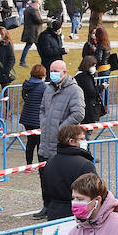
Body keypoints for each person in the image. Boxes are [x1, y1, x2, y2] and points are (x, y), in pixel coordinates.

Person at [42, 124, 98, 235]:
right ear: (71, 141)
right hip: (77, 212)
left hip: (54, 210)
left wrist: (49, 206)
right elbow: (93, 191)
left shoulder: (50, 162)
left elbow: (45, 190)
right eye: (82, 138)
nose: (85, 141)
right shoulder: (85, 164)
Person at [38, 60, 86, 218]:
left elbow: (78, 113)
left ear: (64, 72)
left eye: (56, 71)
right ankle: (46, 204)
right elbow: (42, 109)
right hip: (45, 140)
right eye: (51, 70)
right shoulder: (48, 88)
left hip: (61, 142)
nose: (53, 73)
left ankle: (61, 205)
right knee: (45, 175)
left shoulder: (74, 90)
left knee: (60, 177)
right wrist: (45, 124)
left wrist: (61, 129)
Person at [18, 64, 47, 166]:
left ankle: (28, 164)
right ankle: (41, 165)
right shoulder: (43, 87)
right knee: (40, 143)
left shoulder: (26, 85)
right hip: (37, 118)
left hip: (27, 117)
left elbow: (25, 98)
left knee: (30, 142)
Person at [75, 54, 107, 125]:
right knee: (87, 129)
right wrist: (101, 87)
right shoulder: (84, 77)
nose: (94, 68)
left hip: (85, 106)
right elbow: (92, 92)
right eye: (93, 66)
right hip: (87, 107)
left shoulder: (81, 75)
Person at [19, 0, 44, 66]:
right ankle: (22, 61)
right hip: (34, 32)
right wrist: (47, 20)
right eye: (38, 3)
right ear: (34, 3)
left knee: (38, 47)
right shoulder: (33, 10)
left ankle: (22, 61)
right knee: (32, 47)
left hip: (31, 32)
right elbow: (38, 20)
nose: (39, 5)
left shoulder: (27, 9)